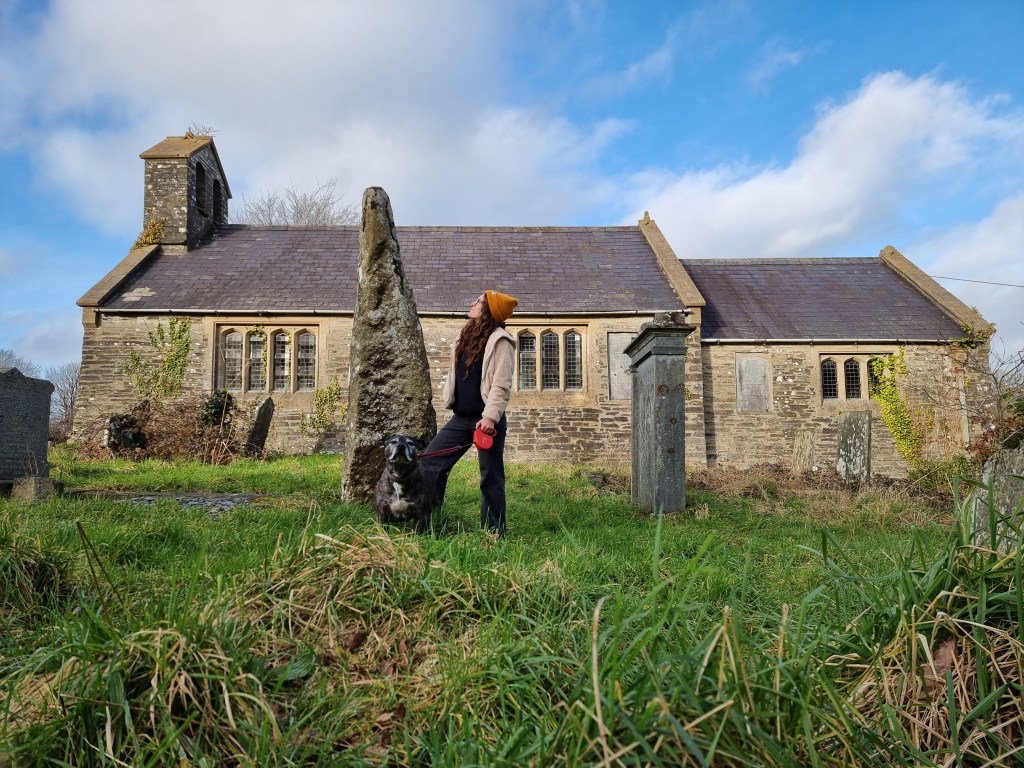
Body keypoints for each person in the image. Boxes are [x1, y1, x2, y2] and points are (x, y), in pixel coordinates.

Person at [420, 290, 518, 537]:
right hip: (461, 418)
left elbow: (501, 384)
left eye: (479, 301)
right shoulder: (465, 336)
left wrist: (490, 417)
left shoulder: (501, 340)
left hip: (486, 421)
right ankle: (429, 523)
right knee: (431, 462)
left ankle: (493, 533)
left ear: (489, 310)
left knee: (490, 477)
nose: (473, 303)